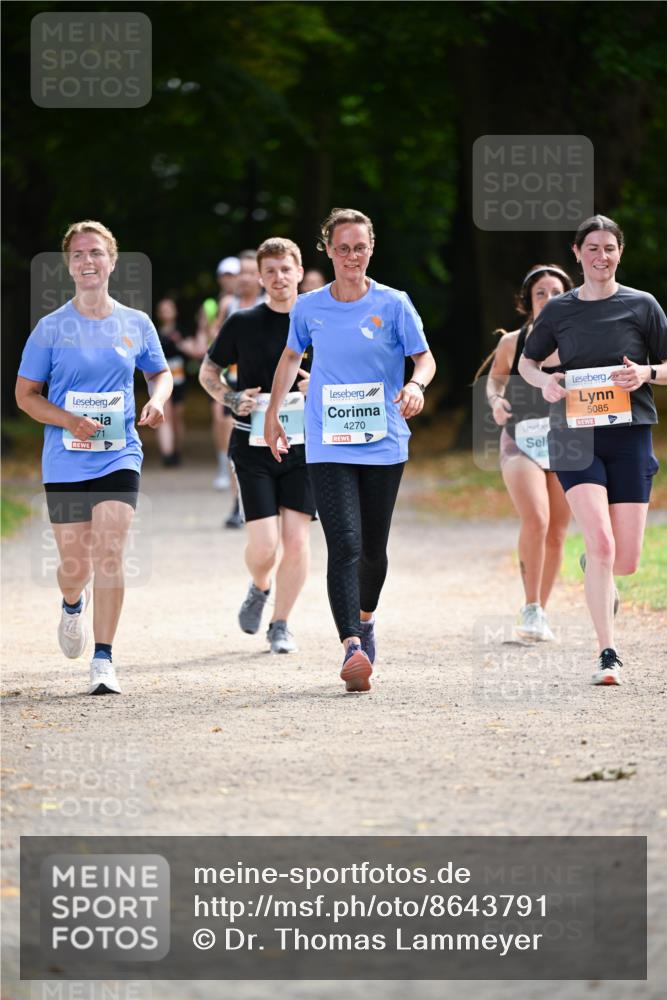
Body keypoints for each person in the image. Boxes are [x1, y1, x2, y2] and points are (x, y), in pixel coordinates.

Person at [264, 208, 436, 693]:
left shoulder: (394, 304)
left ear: (371, 248)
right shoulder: (308, 307)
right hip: (328, 439)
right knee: (344, 543)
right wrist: (275, 413)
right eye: (342, 248)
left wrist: (416, 385)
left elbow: (424, 358)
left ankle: (366, 617)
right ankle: (351, 647)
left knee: (373, 551)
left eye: (360, 247)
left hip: (383, 440)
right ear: (328, 251)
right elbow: (291, 356)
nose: (352, 256)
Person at [15, 220, 172, 695]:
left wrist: (157, 399)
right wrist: (67, 420)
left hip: (119, 453)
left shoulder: (135, 323)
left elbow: (160, 373)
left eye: (96, 252)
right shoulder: (50, 328)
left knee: (109, 551)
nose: (88, 261)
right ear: (69, 266)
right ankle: (71, 603)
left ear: (112, 261)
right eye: (79, 254)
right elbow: (25, 395)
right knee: (74, 566)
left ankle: (103, 659)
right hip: (65, 457)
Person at [519, 215, 667, 685]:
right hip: (574, 435)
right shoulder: (559, 310)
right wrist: (545, 383)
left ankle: (595, 568)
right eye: (592, 248)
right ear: (577, 253)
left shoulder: (642, 305)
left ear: (620, 252)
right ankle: (608, 652)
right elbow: (527, 362)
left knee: (625, 560)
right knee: (601, 541)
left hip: (629, 435)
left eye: (609, 248)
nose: (601, 257)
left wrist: (645, 373)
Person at [199, 238, 315, 654]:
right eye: (270, 271)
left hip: (306, 447)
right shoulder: (243, 322)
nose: (279, 278)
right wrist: (231, 398)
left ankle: (280, 624)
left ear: (299, 271)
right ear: (260, 278)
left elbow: (347, 374)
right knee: (265, 547)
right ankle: (260, 584)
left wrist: (319, 386)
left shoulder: (320, 319)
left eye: (286, 269)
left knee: (297, 542)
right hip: (253, 444)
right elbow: (208, 372)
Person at [479, 264, 573, 641]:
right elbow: (495, 381)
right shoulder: (512, 342)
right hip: (521, 439)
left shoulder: (580, 340)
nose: (548, 299)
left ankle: (540, 613)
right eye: (540, 293)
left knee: (558, 531)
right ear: (528, 301)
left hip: (568, 442)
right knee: (536, 518)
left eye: (556, 293)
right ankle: (530, 606)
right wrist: (496, 402)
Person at [154, 297, 200, 467]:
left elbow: (195, 352)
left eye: (169, 309)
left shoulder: (182, 331)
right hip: (160, 379)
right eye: (163, 309)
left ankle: (176, 451)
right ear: (159, 313)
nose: (166, 312)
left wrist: (179, 343)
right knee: (164, 415)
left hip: (178, 380)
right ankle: (167, 455)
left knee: (177, 416)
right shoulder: (154, 333)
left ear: (175, 311)